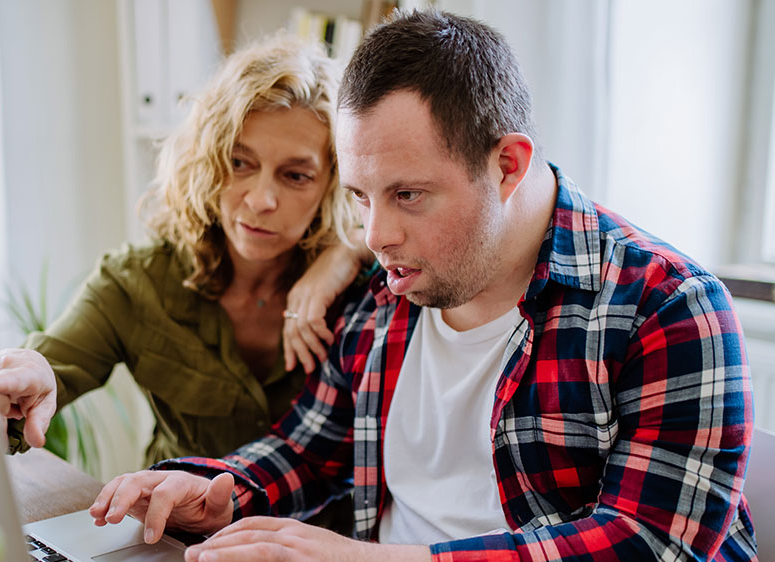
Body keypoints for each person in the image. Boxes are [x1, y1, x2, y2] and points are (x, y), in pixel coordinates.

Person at [88, 10, 758, 561]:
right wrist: (222, 490)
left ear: (508, 164)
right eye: (359, 196)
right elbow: (310, 448)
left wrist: (366, 560)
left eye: (408, 194)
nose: (375, 236)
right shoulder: (391, 287)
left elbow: (654, 545)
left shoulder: (667, 307)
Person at [0, 35, 364, 470]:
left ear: (333, 185)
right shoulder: (137, 283)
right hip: (171, 532)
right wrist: (21, 379)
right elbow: (49, 364)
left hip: (319, 534)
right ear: (208, 159)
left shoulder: (360, 290)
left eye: (296, 176)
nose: (261, 199)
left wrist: (347, 254)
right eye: (239, 162)